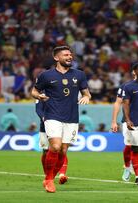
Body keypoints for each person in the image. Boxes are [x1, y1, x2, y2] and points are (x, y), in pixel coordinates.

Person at [31, 46, 91, 193]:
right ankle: (50, 179)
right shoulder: (46, 75)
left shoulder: (80, 75)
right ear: (57, 58)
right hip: (52, 115)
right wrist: (38, 96)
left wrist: (86, 97)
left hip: (71, 117)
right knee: (55, 147)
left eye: (70, 55)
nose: (69, 57)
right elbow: (34, 91)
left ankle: (49, 177)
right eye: (65, 55)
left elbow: (86, 93)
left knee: (63, 151)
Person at [110, 75, 138, 182]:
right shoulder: (126, 86)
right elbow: (118, 103)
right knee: (130, 145)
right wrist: (114, 121)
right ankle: (127, 167)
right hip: (129, 120)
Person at [36, 100, 69, 186]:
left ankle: (61, 175)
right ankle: (47, 175)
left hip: (60, 125)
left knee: (61, 149)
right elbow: (38, 109)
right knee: (46, 151)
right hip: (45, 126)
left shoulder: (60, 91)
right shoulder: (41, 93)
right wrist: (44, 118)